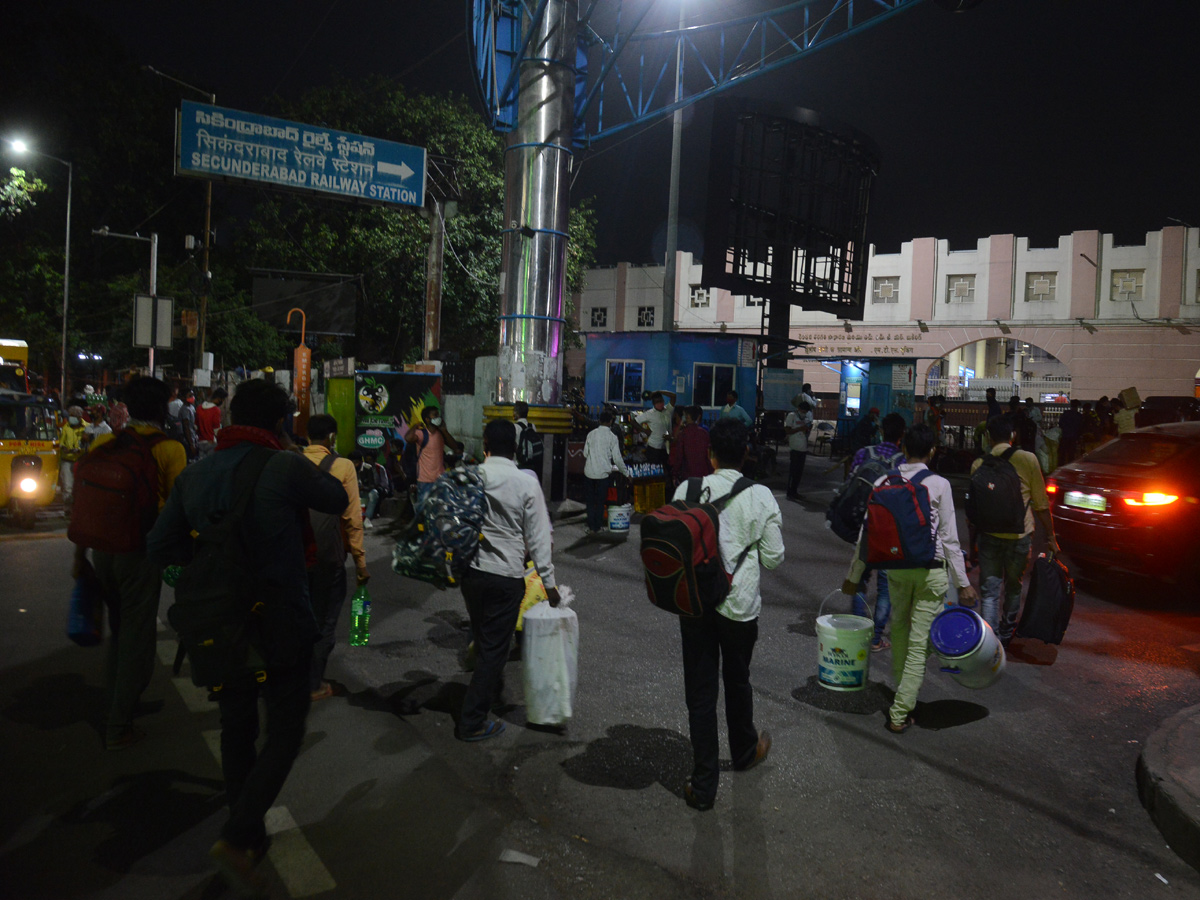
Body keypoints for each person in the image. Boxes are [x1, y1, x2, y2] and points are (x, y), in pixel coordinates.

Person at [146, 379, 348, 897]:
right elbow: (334, 494)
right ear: (280, 422)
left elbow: (160, 545)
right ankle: (239, 835)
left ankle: (247, 836)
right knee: (283, 729)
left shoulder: (195, 475)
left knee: (236, 725)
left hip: (219, 623)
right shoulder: (281, 464)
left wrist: (211, 570)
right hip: (278, 616)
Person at [672, 418, 783, 811]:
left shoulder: (687, 488)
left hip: (696, 603)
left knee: (700, 694)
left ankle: (703, 787)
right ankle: (744, 751)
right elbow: (773, 557)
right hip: (738, 608)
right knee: (738, 681)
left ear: (710, 454)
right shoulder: (760, 496)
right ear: (747, 454)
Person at [72, 377, 188, 750]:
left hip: (102, 551)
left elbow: (83, 500)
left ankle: (119, 703)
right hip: (139, 553)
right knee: (137, 639)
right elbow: (178, 510)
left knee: (120, 633)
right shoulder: (170, 449)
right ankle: (118, 724)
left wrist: (80, 557)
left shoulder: (106, 442)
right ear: (162, 409)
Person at [842, 423, 977, 733]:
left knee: (900, 633)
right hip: (930, 572)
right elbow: (950, 538)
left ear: (902, 447)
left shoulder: (883, 480)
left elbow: (867, 533)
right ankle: (901, 711)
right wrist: (963, 583)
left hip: (897, 569)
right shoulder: (939, 484)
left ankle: (903, 697)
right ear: (932, 450)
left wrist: (855, 574)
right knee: (918, 644)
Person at [457, 419, 558, 742]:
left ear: (485, 444)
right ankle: (472, 721)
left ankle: (486, 689)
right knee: (493, 650)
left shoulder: (472, 476)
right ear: (515, 448)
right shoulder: (525, 483)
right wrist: (550, 585)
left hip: (472, 574)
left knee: (485, 637)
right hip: (505, 577)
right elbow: (540, 538)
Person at [970, 414, 1058, 646]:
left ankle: (990, 640)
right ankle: (1007, 632)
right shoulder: (1028, 459)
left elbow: (974, 511)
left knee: (989, 589)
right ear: (1013, 435)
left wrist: (972, 544)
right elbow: (1040, 504)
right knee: (1013, 585)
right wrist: (1050, 537)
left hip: (988, 535)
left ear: (988, 437)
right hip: (1020, 536)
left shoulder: (979, 464)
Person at [301, 414, 369, 702]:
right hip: (328, 560)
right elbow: (353, 518)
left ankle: (292, 678)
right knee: (325, 621)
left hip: (292, 558)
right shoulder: (342, 466)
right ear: (331, 437)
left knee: (295, 618)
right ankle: (313, 683)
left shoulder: (289, 461)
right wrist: (361, 565)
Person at [848, 412, 907, 652]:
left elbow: (852, 482)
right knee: (885, 586)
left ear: (881, 430)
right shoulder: (904, 460)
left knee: (859, 581)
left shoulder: (865, 453)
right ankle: (875, 638)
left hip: (866, 526)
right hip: (891, 534)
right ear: (902, 436)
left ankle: (855, 631)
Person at [583, 409, 630, 534]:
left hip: (589, 473)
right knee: (600, 501)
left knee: (590, 501)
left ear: (599, 420)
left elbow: (585, 453)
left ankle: (591, 526)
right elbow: (617, 459)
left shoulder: (591, 434)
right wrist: (626, 473)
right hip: (603, 474)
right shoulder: (612, 437)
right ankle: (597, 528)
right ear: (610, 421)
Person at [412, 404, 462, 508]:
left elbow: (456, 448)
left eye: (438, 415)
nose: (438, 418)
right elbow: (408, 438)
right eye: (435, 415)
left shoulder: (441, 434)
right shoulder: (421, 434)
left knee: (440, 508)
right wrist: (414, 427)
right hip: (425, 479)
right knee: (424, 508)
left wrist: (444, 430)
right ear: (427, 419)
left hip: (440, 478)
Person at [669, 405, 713, 485]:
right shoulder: (704, 433)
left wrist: (674, 474)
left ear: (687, 417)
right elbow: (708, 456)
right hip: (704, 475)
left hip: (688, 475)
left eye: (684, 415)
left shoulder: (683, 434)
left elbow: (679, 457)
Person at [635, 390, 676, 467]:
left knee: (665, 470)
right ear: (654, 404)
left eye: (661, 401)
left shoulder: (668, 410)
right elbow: (633, 421)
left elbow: (673, 396)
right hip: (653, 449)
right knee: (654, 472)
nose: (660, 403)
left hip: (666, 447)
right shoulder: (649, 414)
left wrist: (659, 391)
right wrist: (644, 430)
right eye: (657, 402)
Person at [783, 398, 813, 501]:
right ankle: (790, 492)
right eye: (803, 411)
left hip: (803, 447)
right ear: (799, 409)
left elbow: (807, 429)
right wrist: (800, 429)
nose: (804, 413)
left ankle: (795, 491)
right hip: (795, 447)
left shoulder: (805, 418)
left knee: (799, 472)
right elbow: (787, 430)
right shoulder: (792, 416)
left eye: (806, 412)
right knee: (793, 471)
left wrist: (807, 428)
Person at [58, 405, 87, 502]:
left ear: (79, 417)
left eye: (73, 415)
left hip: (81, 461)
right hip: (67, 460)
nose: (71, 418)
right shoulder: (66, 427)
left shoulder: (87, 427)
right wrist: (64, 447)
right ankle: (67, 510)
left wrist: (80, 450)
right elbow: (61, 442)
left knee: (80, 486)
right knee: (67, 487)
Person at [513, 401, 544, 484]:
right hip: (532, 465)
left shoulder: (515, 427)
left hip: (519, 464)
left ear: (517, 413)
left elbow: (514, 445)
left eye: (514, 411)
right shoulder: (532, 426)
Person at [196, 387, 226, 457]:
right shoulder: (216, 410)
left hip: (200, 442)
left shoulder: (199, 408)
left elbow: (196, 427)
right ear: (219, 399)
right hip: (211, 442)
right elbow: (216, 430)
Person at [1057, 398, 1083, 464]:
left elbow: (1060, 424)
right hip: (1073, 437)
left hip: (1065, 436)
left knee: (1063, 453)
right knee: (1071, 454)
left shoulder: (1065, 414)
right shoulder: (1078, 416)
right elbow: (1080, 427)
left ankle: (1061, 465)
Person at [180, 389, 199, 460]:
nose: (193, 397)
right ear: (184, 398)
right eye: (190, 396)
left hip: (194, 438)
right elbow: (186, 427)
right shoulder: (185, 410)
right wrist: (191, 444)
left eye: (193, 395)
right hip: (188, 441)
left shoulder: (192, 407)